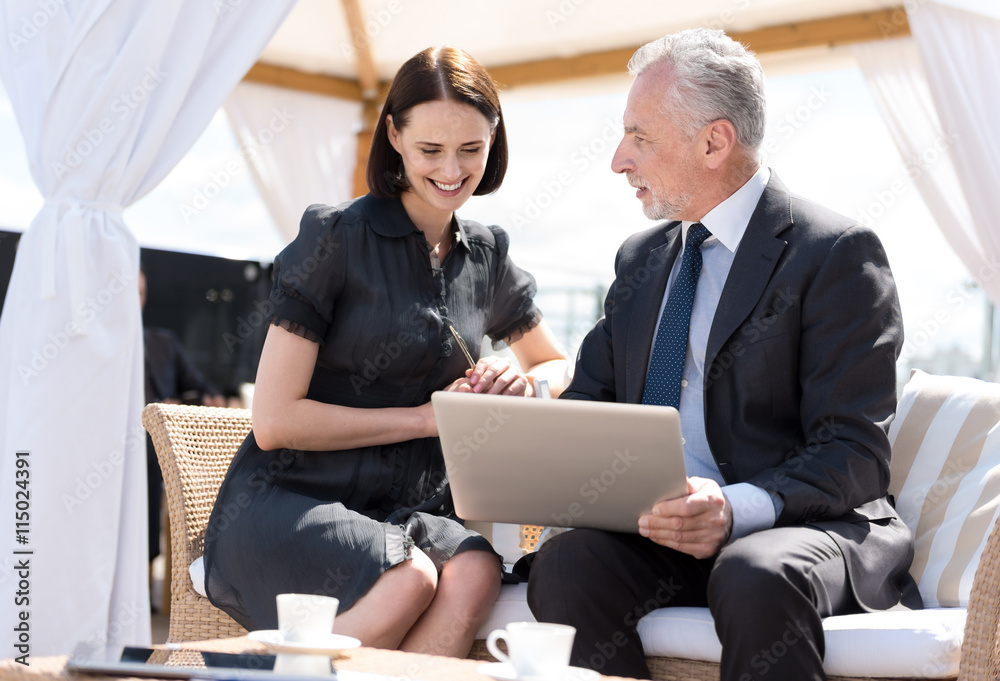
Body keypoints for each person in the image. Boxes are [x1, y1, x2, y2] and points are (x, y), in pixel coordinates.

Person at [525, 28, 921, 681]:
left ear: (714, 141)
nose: (619, 160)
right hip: (665, 533)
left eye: (639, 137)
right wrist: (517, 435)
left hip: (809, 529)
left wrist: (734, 508)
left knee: (751, 570)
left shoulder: (836, 254)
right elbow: (587, 411)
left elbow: (853, 454)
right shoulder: (640, 260)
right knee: (567, 563)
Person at [202, 46, 568, 656]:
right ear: (393, 135)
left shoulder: (487, 254)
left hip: (403, 510)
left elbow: (554, 362)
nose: (452, 170)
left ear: (494, 137)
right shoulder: (336, 237)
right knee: (410, 576)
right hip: (291, 500)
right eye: (431, 150)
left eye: (471, 149)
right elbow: (274, 421)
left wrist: (520, 380)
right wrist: (428, 419)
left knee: (474, 572)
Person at [141, 268, 225, 566]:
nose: (136, 300)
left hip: (162, 437)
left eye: (140, 293)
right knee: (147, 456)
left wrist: (209, 397)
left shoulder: (162, 342)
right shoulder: (101, 347)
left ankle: (196, 559)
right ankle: (147, 559)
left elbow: (198, 383)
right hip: (130, 438)